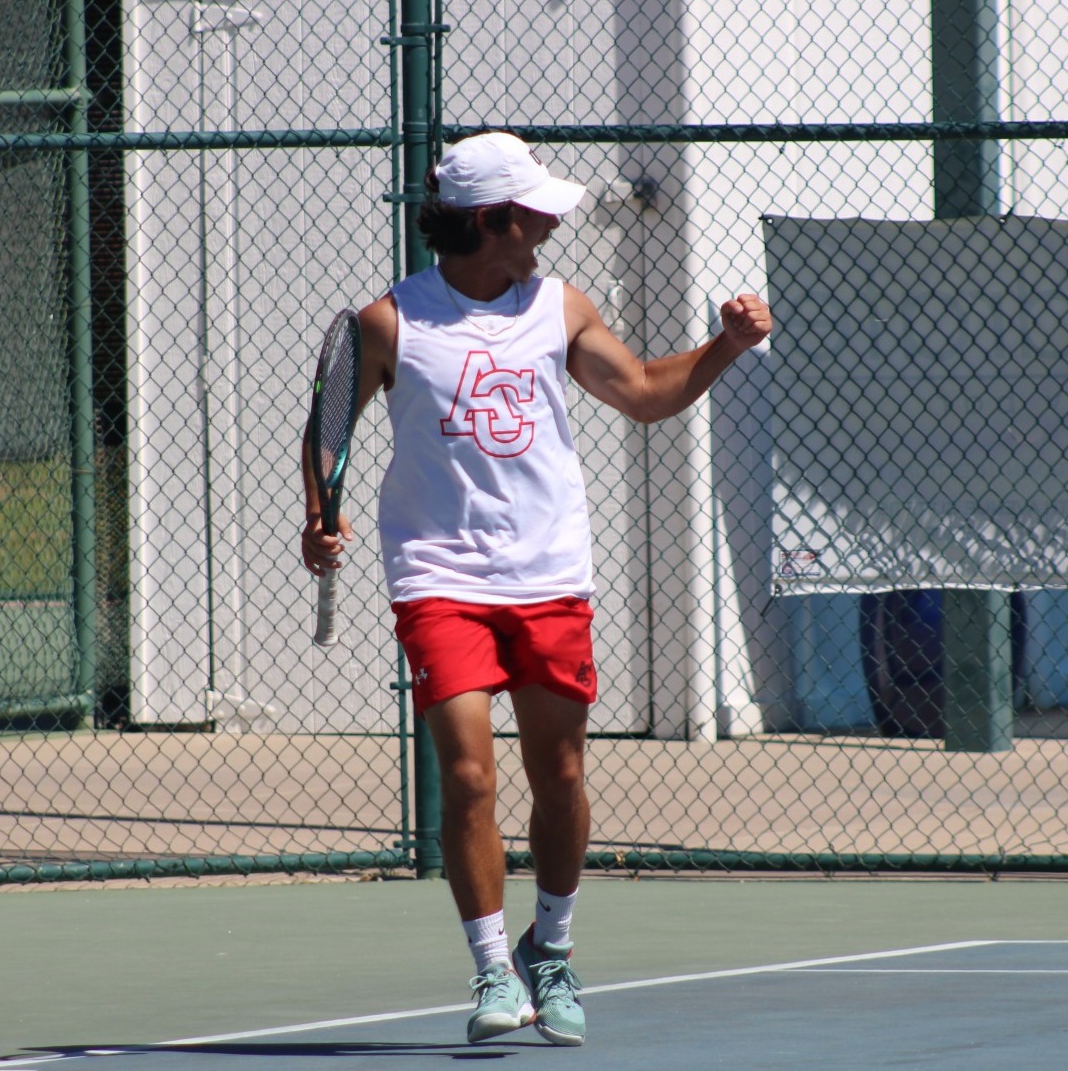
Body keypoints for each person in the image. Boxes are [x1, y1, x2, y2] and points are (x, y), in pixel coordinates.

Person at [298, 131, 772, 1046]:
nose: (552, 224)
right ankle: (489, 969)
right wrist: (319, 512)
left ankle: (549, 947)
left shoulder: (559, 307)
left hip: (549, 574)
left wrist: (726, 344)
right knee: (469, 774)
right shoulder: (390, 322)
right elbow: (328, 427)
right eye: (537, 212)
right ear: (492, 221)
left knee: (558, 773)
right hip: (438, 575)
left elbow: (640, 392)